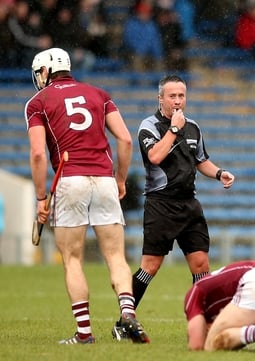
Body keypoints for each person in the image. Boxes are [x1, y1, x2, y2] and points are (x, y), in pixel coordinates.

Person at [25, 47, 149, 344]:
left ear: (45, 72)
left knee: (72, 259)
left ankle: (84, 333)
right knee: (116, 256)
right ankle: (128, 313)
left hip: (69, 180)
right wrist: (120, 178)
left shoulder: (37, 102)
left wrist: (41, 197)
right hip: (104, 179)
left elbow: (39, 152)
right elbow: (126, 139)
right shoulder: (99, 94)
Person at [112, 74, 235, 340]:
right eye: (172, 96)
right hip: (161, 204)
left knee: (201, 264)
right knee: (150, 267)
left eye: (181, 96)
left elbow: (201, 160)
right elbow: (155, 156)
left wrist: (219, 173)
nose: (178, 101)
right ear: (160, 99)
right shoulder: (149, 126)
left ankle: (202, 321)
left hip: (189, 204)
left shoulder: (193, 126)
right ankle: (124, 320)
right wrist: (174, 129)